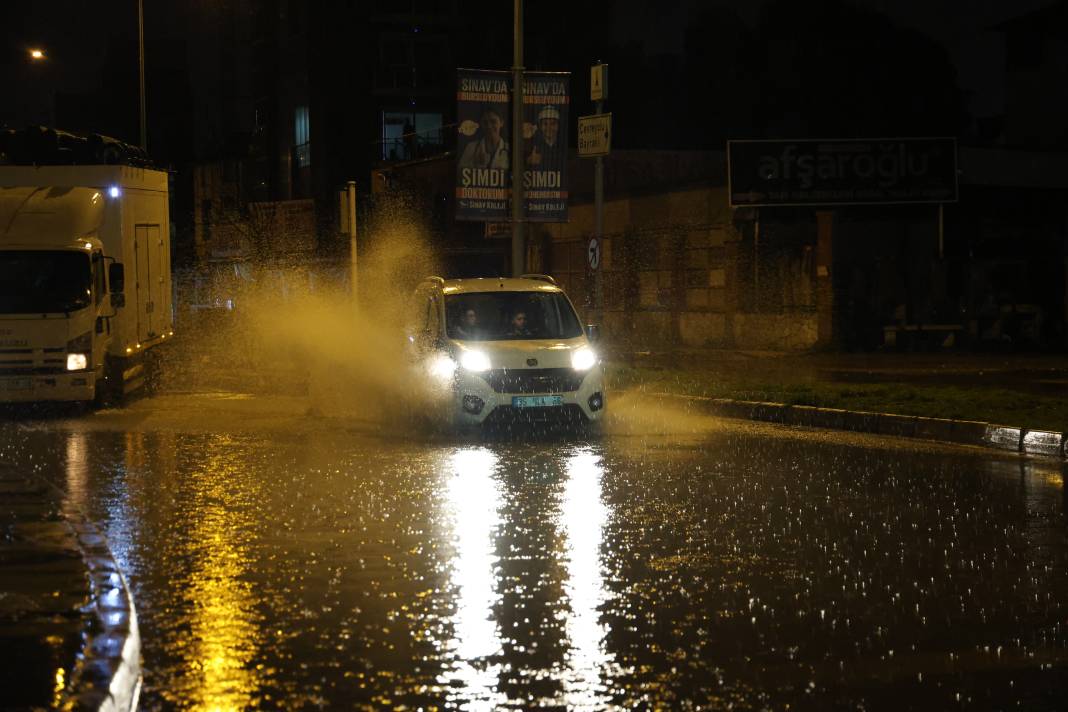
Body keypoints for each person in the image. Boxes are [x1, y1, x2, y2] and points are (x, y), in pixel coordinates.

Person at [526, 105, 562, 173]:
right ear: (540, 126)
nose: (549, 127)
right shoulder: (534, 146)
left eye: (553, 123)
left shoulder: (563, 145)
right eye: (545, 124)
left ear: (558, 125)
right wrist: (529, 161)